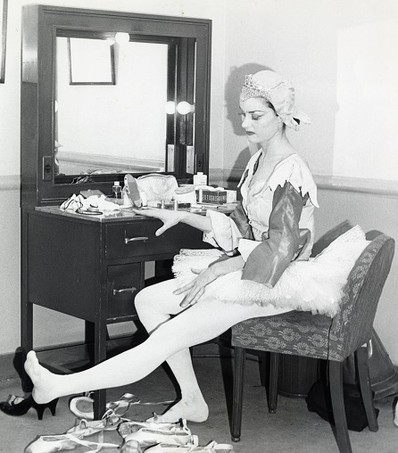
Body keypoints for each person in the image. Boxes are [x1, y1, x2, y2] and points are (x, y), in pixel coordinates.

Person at [24, 70, 318, 423]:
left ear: (281, 116)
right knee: (146, 300)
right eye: (242, 114)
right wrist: (184, 218)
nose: (244, 124)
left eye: (256, 116)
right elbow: (241, 226)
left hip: (275, 280)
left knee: (168, 337)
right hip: (249, 267)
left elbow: (281, 248)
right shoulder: (256, 162)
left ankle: (57, 386)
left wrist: (214, 270)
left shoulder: (291, 171)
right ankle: (192, 400)